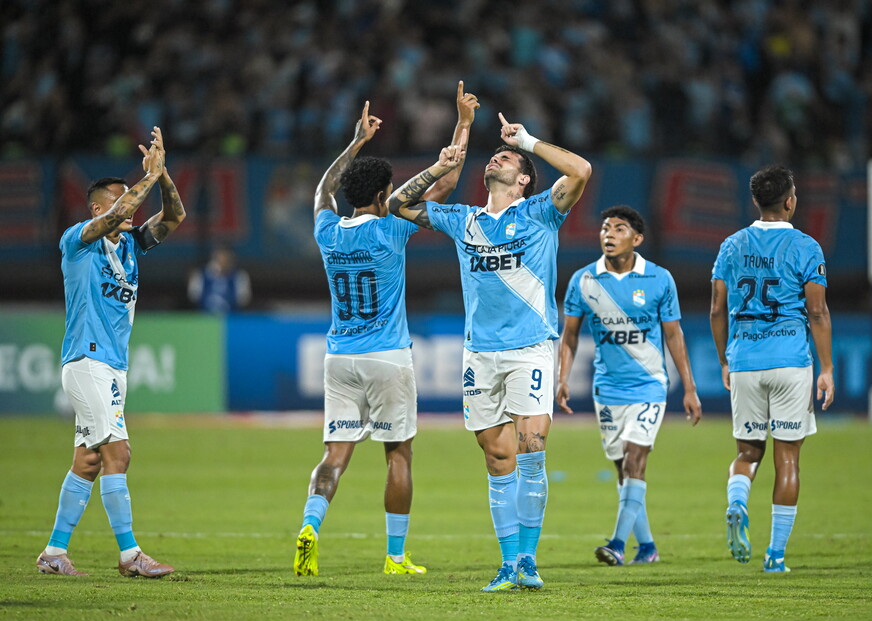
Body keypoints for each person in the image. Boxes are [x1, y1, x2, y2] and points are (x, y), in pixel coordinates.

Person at [390, 110, 592, 591]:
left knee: (532, 447)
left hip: (531, 348)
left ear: (522, 181)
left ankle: (528, 561)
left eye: (508, 157)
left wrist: (529, 138)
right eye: (497, 153)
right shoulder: (463, 219)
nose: (497, 157)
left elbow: (581, 170)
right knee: (496, 458)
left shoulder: (542, 210)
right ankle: (507, 564)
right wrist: (441, 167)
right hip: (481, 353)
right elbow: (397, 204)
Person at [294, 87, 477, 577]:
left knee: (334, 455)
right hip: (387, 356)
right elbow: (439, 187)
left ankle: (311, 526)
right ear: (379, 195)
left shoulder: (327, 231)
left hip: (339, 358)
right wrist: (455, 140)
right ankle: (395, 557)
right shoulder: (391, 227)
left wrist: (354, 143)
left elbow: (321, 191)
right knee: (398, 454)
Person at [37, 127, 187, 578]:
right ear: (99, 208)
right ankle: (130, 556)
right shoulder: (77, 240)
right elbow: (124, 208)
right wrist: (145, 177)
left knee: (87, 460)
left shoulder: (131, 245)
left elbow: (175, 216)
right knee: (118, 454)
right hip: (87, 360)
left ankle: (54, 553)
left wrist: (162, 177)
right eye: (121, 201)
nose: (132, 208)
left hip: (111, 365)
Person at [556, 205, 702, 567]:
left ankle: (618, 544)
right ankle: (648, 546)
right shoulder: (584, 281)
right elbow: (570, 336)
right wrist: (562, 377)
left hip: (650, 385)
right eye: (605, 228)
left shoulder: (658, 279)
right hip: (607, 389)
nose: (608, 234)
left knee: (637, 458)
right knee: (624, 468)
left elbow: (674, 335)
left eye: (619, 229)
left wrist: (689, 387)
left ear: (637, 239)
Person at [709, 164, 834, 573]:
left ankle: (737, 501)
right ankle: (775, 556)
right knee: (788, 459)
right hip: (790, 361)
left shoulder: (731, 245)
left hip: (745, 359)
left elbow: (716, 309)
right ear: (790, 200)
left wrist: (725, 359)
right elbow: (816, 312)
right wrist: (827, 367)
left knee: (747, 451)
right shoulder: (806, 247)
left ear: (756, 201)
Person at [187, 246, 251, 313]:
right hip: (204, 317)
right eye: (220, 259)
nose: (223, 262)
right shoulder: (200, 275)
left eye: (226, 259)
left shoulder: (239, 276)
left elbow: (243, 300)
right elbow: (193, 296)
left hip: (231, 318)